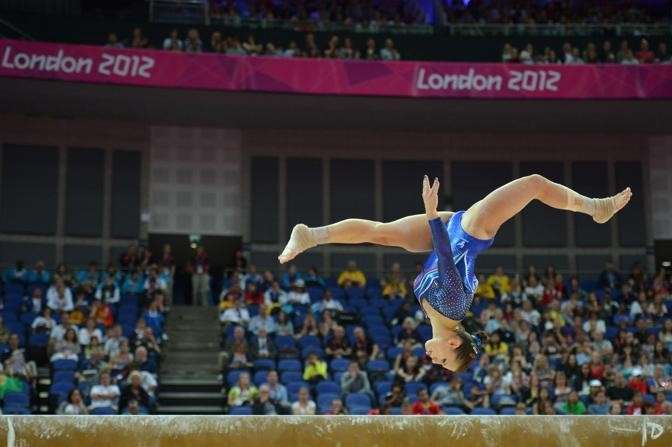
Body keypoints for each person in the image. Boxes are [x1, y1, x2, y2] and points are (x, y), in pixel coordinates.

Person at [279, 175, 631, 371]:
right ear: (453, 342)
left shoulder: (434, 313)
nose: (434, 361)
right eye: (444, 360)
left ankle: (313, 235)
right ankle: (596, 208)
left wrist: (438, 223)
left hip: (451, 230)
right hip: (470, 232)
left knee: (381, 232)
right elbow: (446, 259)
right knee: (535, 184)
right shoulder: (450, 307)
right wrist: (432, 214)